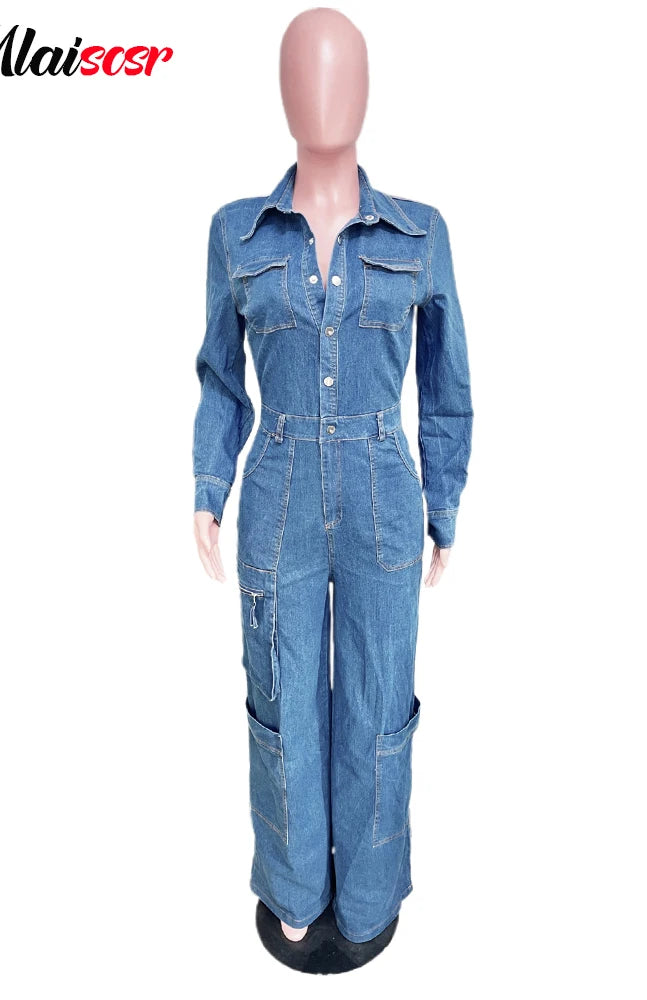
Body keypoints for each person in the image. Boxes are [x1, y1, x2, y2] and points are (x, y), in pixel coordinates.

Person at [192, 8, 474, 946]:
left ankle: (367, 897)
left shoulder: (420, 232)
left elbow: (445, 387)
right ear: (282, 91)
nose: (324, 91)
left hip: (384, 490)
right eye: (305, 71)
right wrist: (207, 488)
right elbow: (220, 379)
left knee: (378, 700)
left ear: (367, 89)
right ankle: (295, 890)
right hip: (276, 487)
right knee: (281, 702)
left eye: (342, 71)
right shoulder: (237, 231)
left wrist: (444, 502)